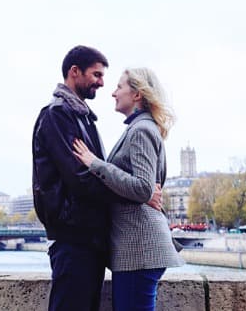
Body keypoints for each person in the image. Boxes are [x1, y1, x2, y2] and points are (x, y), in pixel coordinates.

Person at [71, 67, 182, 311]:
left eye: (119, 87)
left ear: (137, 95)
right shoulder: (142, 127)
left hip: (139, 250)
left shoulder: (141, 129)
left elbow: (143, 188)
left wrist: (94, 163)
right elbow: (147, 188)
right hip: (138, 250)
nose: (113, 93)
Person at [32, 45, 114, 311]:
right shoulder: (58, 115)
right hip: (74, 238)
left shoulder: (80, 117)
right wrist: (130, 191)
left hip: (85, 239)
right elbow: (81, 178)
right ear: (74, 72)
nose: (102, 83)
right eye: (96, 75)